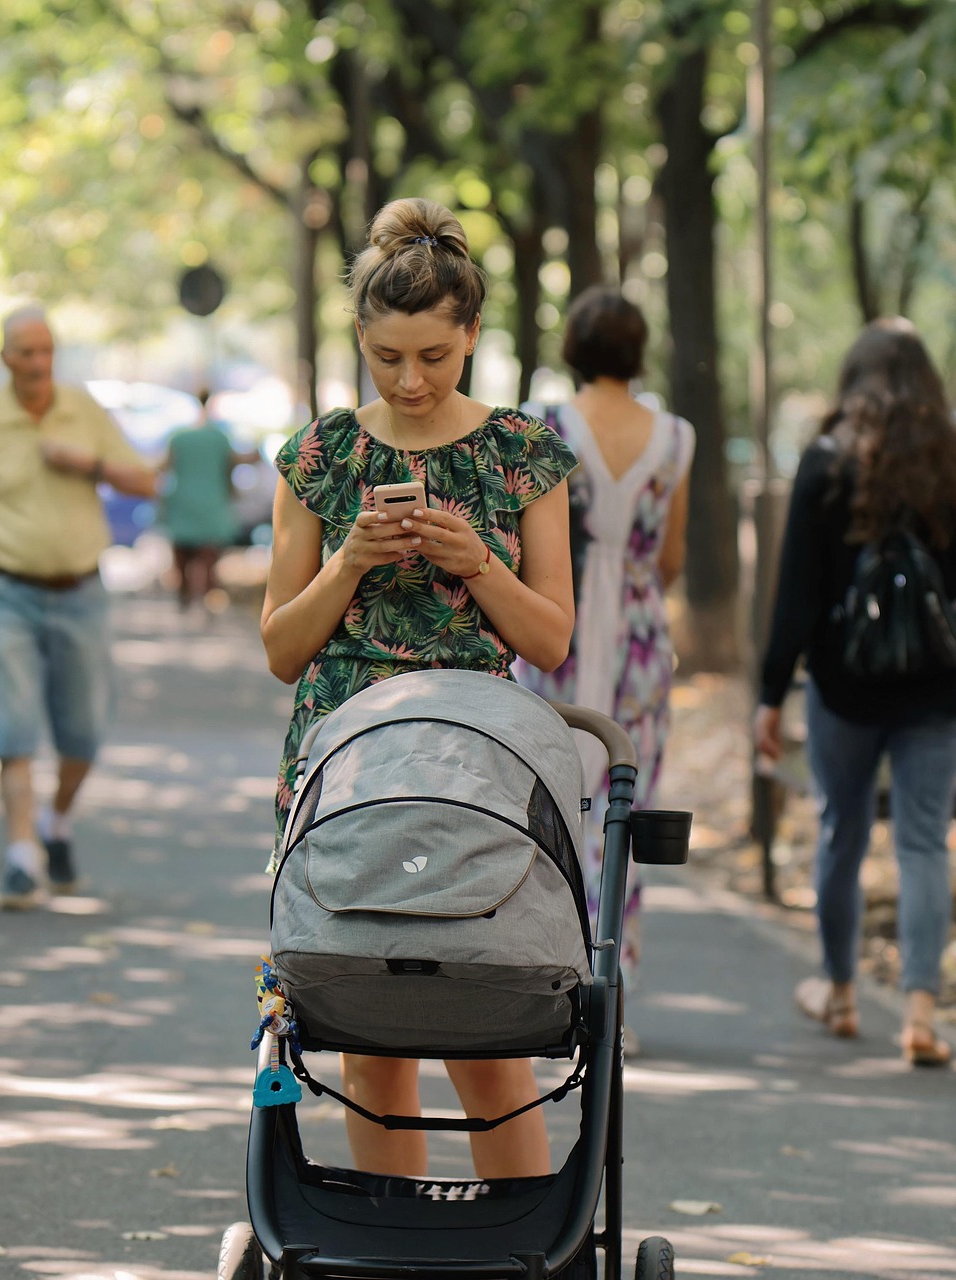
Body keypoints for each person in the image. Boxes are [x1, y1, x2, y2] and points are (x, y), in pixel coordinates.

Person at [260, 197, 576, 1180]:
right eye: (387, 355)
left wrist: (479, 563)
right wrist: (347, 563)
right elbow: (279, 646)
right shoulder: (321, 455)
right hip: (347, 765)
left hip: (474, 760)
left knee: (486, 1032)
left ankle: (524, 1238)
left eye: (435, 356)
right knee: (371, 1032)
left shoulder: (521, 449)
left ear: (473, 335)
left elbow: (554, 639)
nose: (410, 379)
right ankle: (387, 1232)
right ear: (360, 336)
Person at [753, 318, 956, 1068]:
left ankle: (839, 992)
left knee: (842, 830)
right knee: (925, 841)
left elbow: (795, 596)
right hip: (939, 692)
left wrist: (773, 692)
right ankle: (922, 1014)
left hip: (845, 686)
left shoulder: (829, 462)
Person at [0, 306, 157, 910]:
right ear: (6, 358)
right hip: (7, 594)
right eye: (24, 352)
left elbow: (146, 481)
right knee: (12, 727)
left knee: (83, 733)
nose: (36, 362)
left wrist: (88, 465)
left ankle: (56, 824)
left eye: (45, 351)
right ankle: (20, 855)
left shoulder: (83, 410)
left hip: (81, 593)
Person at [514, 286, 692, 998]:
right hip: (640, 644)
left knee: (550, 802)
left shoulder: (540, 424)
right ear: (638, 352)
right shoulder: (676, 437)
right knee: (625, 805)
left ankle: (542, 970)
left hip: (556, 630)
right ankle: (612, 984)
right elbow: (671, 558)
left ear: (573, 350)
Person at [160, 393, 255, 613]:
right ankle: (207, 597)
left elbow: (163, 467)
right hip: (212, 503)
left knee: (182, 556)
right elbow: (232, 466)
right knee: (209, 556)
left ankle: (184, 597)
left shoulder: (179, 438)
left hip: (182, 503)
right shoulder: (219, 438)